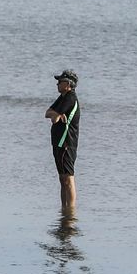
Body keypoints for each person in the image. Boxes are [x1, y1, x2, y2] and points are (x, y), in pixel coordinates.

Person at [46, 70, 80, 210]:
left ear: (68, 84)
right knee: (62, 178)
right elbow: (48, 113)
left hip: (67, 142)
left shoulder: (70, 98)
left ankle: (70, 211)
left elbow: (53, 119)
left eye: (60, 82)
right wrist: (56, 115)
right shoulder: (62, 97)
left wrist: (56, 116)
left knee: (68, 178)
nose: (57, 84)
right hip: (58, 142)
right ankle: (63, 209)